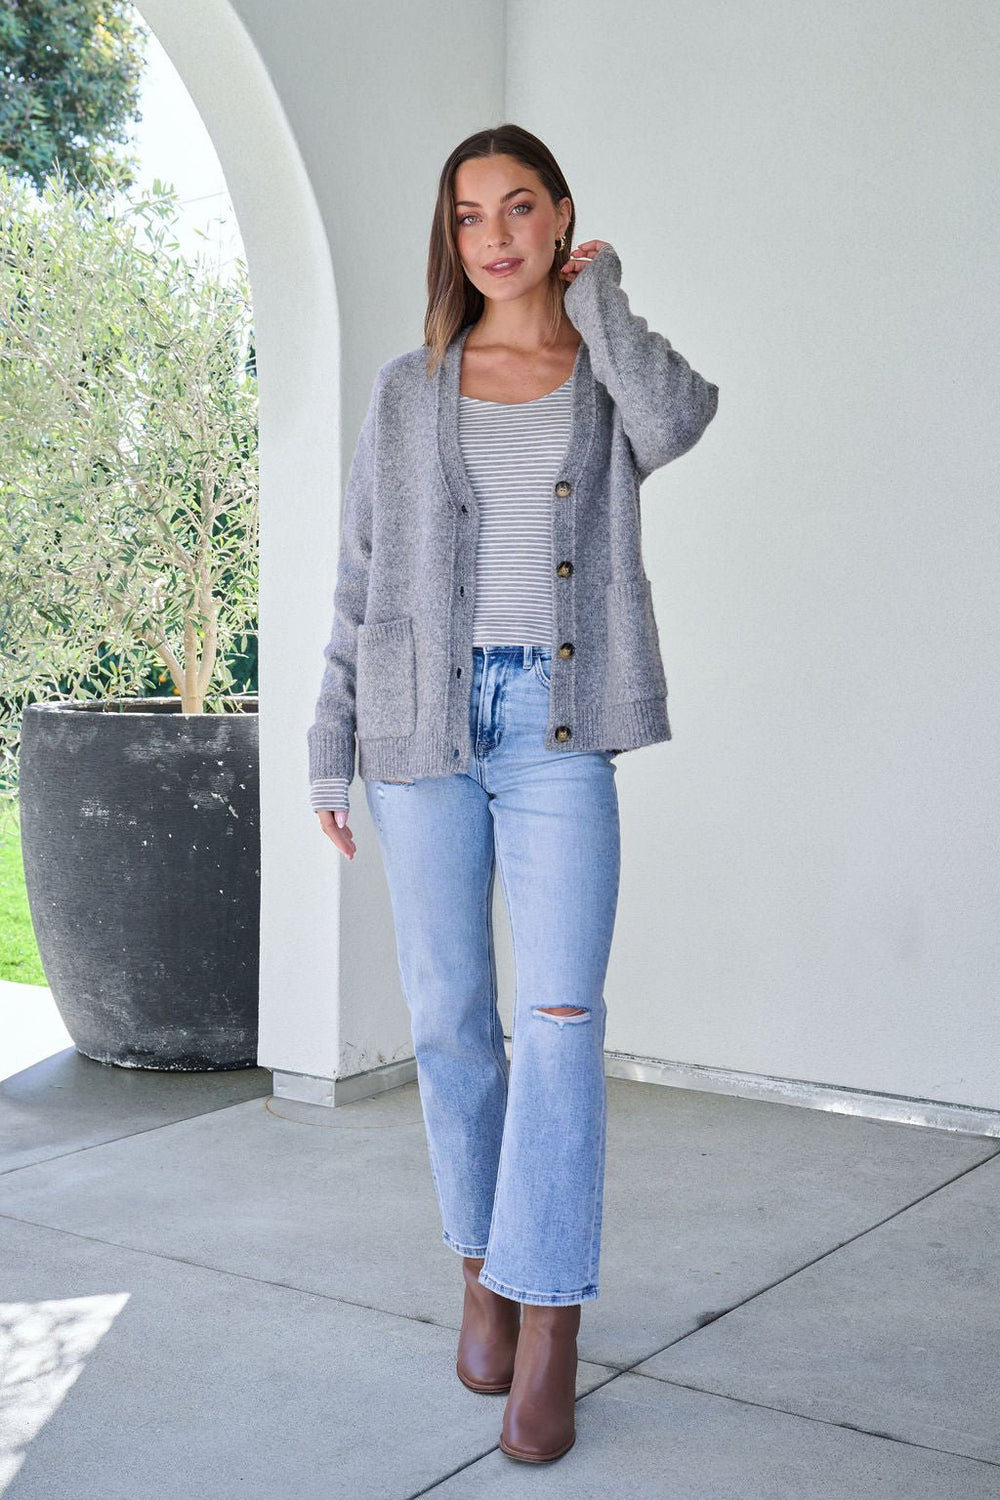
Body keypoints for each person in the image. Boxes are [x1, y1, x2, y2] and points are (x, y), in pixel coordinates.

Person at [307, 122, 718, 1464]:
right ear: (454, 236)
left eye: (519, 208)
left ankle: (550, 1318)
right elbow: (361, 581)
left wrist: (602, 299)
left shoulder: (601, 373)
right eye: (471, 214)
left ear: (556, 220)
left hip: (557, 722)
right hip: (423, 727)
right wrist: (330, 745)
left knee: (558, 1018)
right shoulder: (407, 389)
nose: (494, 234)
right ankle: (480, 1261)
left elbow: (684, 417)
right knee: (450, 1020)